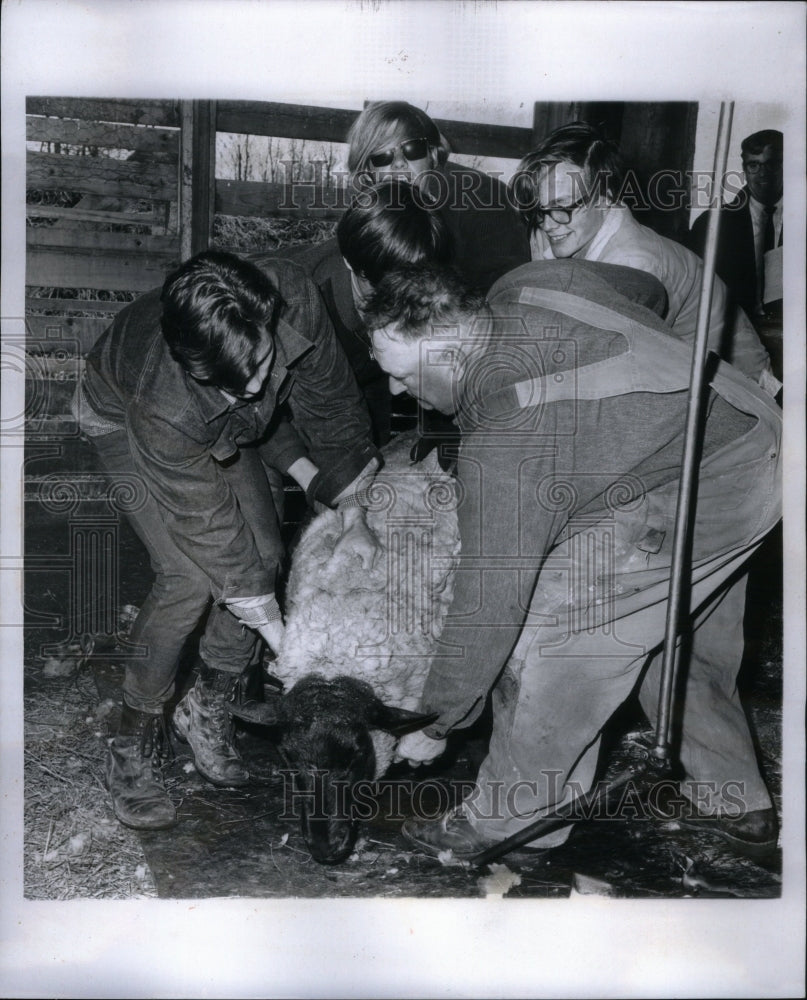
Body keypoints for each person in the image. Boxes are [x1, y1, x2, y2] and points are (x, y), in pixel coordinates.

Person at [361, 259, 782, 860]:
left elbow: (491, 602)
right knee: (669, 636)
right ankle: (736, 798)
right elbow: (646, 290)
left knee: (556, 640)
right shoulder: (523, 282)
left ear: (452, 354)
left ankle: (510, 820)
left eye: (403, 375)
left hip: (716, 482)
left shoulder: (505, 443)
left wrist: (435, 722)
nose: (397, 391)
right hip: (739, 420)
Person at [73, 250, 382, 830]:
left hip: (215, 420)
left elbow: (332, 404)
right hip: (120, 412)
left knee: (265, 555)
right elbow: (210, 528)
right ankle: (129, 740)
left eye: (265, 362)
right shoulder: (165, 405)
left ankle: (207, 702)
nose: (261, 385)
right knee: (189, 575)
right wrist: (286, 650)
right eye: (237, 381)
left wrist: (355, 507)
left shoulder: (291, 295)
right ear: (197, 368)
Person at [510, 122, 779, 396]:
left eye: (562, 207)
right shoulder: (567, 229)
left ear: (605, 198)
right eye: (539, 209)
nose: (547, 224)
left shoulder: (635, 265)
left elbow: (602, 365)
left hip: (736, 387)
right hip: (679, 371)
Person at [254, 178, 454, 447]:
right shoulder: (295, 304)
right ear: (348, 261)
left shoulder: (425, 271)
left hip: (362, 382)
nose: (396, 306)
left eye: (410, 292)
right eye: (382, 290)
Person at [345, 101, 531, 295]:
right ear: (367, 169)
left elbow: (508, 287)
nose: (399, 163)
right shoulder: (371, 209)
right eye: (383, 156)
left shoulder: (483, 200)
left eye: (412, 149)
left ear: (432, 154)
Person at [688, 129, 783, 332]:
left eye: (772, 164)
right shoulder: (710, 227)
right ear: (744, 169)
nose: (763, 173)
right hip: (735, 339)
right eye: (754, 165)